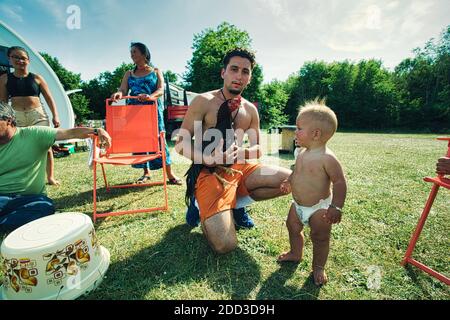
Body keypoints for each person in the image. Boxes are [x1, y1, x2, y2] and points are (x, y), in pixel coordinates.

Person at [175, 48, 291, 254]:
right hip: (208, 171)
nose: (239, 76)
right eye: (234, 69)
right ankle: (198, 202)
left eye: (245, 72)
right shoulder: (203, 101)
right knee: (225, 246)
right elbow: (181, 143)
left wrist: (241, 152)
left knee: (291, 180)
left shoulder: (250, 109)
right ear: (223, 73)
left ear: (250, 78)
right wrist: (208, 158)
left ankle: (234, 205)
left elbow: (257, 149)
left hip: (239, 167)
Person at [0, 102, 111, 232]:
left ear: (8, 120)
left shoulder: (33, 134)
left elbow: (69, 133)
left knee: (44, 207)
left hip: (30, 199)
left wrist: (98, 130)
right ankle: (11, 222)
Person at [277, 99, 347, 286]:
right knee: (292, 227)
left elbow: (339, 182)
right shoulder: (301, 152)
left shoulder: (327, 158)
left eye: (299, 128)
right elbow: (296, 172)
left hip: (319, 208)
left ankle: (318, 267)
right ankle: (295, 253)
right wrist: (288, 181)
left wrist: (336, 206)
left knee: (320, 237)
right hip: (298, 205)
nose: (295, 132)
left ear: (316, 134)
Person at [111, 42, 181, 185]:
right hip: (134, 112)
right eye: (131, 52)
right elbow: (123, 90)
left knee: (159, 140)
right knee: (140, 141)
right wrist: (118, 94)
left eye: (135, 51)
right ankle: (146, 173)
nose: (132, 54)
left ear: (144, 54)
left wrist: (151, 96)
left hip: (152, 110)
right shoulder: (128, 74)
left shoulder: (155, 71)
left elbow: (161, 90)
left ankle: (170, 174)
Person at [0, 46, 61, 186]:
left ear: (28, 61)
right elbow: (3, 102)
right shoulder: (4, 79)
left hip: (37, 114)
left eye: (23, 58)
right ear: (9, 59)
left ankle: (50, 177)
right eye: (15, 57)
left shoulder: (37, 78)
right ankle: (22, 177)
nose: (19, 60)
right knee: (19, 146)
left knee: (46, 145)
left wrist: (55, 115)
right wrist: (4, 121)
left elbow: (49, 98)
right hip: (16, 116)